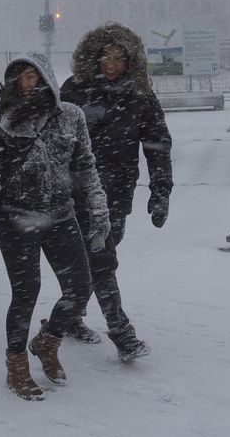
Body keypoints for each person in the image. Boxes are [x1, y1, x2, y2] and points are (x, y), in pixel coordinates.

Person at [0, 52, 110, 400]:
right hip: (15, 218)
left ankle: (47, 341)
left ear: (47, 79)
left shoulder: (71, 117)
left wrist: (99, 211)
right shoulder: (0, 121)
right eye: (20, 77)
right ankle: (16, 364)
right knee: (25, 294)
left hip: (61, 215)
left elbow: (86, 167)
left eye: (33, 77)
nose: (26, 84)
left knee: (80, 287)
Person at [59, 22, 172, 361]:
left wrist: (160, 191)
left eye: (118, 57)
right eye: (104, 56)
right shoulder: (75, 91)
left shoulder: (139, 96)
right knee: (101, 261)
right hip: (77, 191)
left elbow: (157, 144)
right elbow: (49, 137)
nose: (110, 63)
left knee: (94, 260)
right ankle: (121, 332)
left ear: (130, 60)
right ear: (92, 58)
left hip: (119, 192)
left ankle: (67, 315)